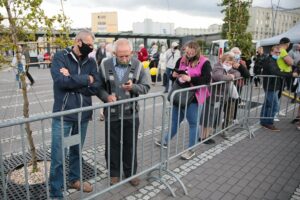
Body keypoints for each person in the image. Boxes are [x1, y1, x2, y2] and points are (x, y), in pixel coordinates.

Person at [49, 30, 100, 199]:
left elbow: (96, 85)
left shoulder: (91, 61)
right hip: (63, 116)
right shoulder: (60, 57)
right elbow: (61, 82)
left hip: (82, 115)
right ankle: (56, 193)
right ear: (78, 42)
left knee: (77, 150)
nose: (91, 48)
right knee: (58, 156)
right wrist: (86, 79)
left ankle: (74, 179)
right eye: (89, 44)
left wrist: (73, 78)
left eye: (92, 45)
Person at [97, 38, 150, 186]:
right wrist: (106, 97)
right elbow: (98, 86)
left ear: (132, 52)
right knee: (112, 144)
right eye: (121, 56)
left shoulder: (138, 65)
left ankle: (131, 173)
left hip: (131, 114)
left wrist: (133, 87)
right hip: (112, 113)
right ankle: (113, 173)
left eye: (128, 55)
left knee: (130, 144)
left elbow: (146, 87)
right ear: (114, 53)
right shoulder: (104, 64)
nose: (125, 59)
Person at [155, 41, 211, 160]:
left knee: (193, 124)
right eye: (187, 50)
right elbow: (172, 75)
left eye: (192, 50)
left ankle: (191, 150)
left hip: (194, 98)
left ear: (196, 50)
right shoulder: (181, 59)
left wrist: (190, 78)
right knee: (175, 121)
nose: (189, 53)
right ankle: (165, 140)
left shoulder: (205, 62)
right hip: (179, 95)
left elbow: (207, 80)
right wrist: (174, 75)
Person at [260, 45, 297, 131]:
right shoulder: (269, 60)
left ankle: (264, 121)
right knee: (274, 105)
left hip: (274, 85)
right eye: (276, 52)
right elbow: (275, 72)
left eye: (279, 53)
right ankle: (268, 122)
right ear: (271, 52)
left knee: (268, 104)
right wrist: (291, 75)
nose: (277, 54)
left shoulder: (275, 60)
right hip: (270, 85)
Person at [208, 53, 241, 140]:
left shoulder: (230, 69)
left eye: (230, 63)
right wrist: (230, 77)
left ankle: (225, 130)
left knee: (229, 113)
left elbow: (238, 73)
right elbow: (219, 77)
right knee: (215, 113)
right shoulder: (217, 67)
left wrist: (233, 75)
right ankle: (212, 130)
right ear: (222, 61)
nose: (228, 65)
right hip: (217, 95)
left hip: (228, 95)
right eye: (226, 62)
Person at [277, 37, 294, 116]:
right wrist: (291, 60)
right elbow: (290, 62)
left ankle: (275, 111)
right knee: (277, 95)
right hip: (281, 75)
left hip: (281, 75)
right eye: (289, 44)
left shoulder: (278, 49)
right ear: (287, 44)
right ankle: (274, 113)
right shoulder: (282, 50)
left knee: (278, 95)